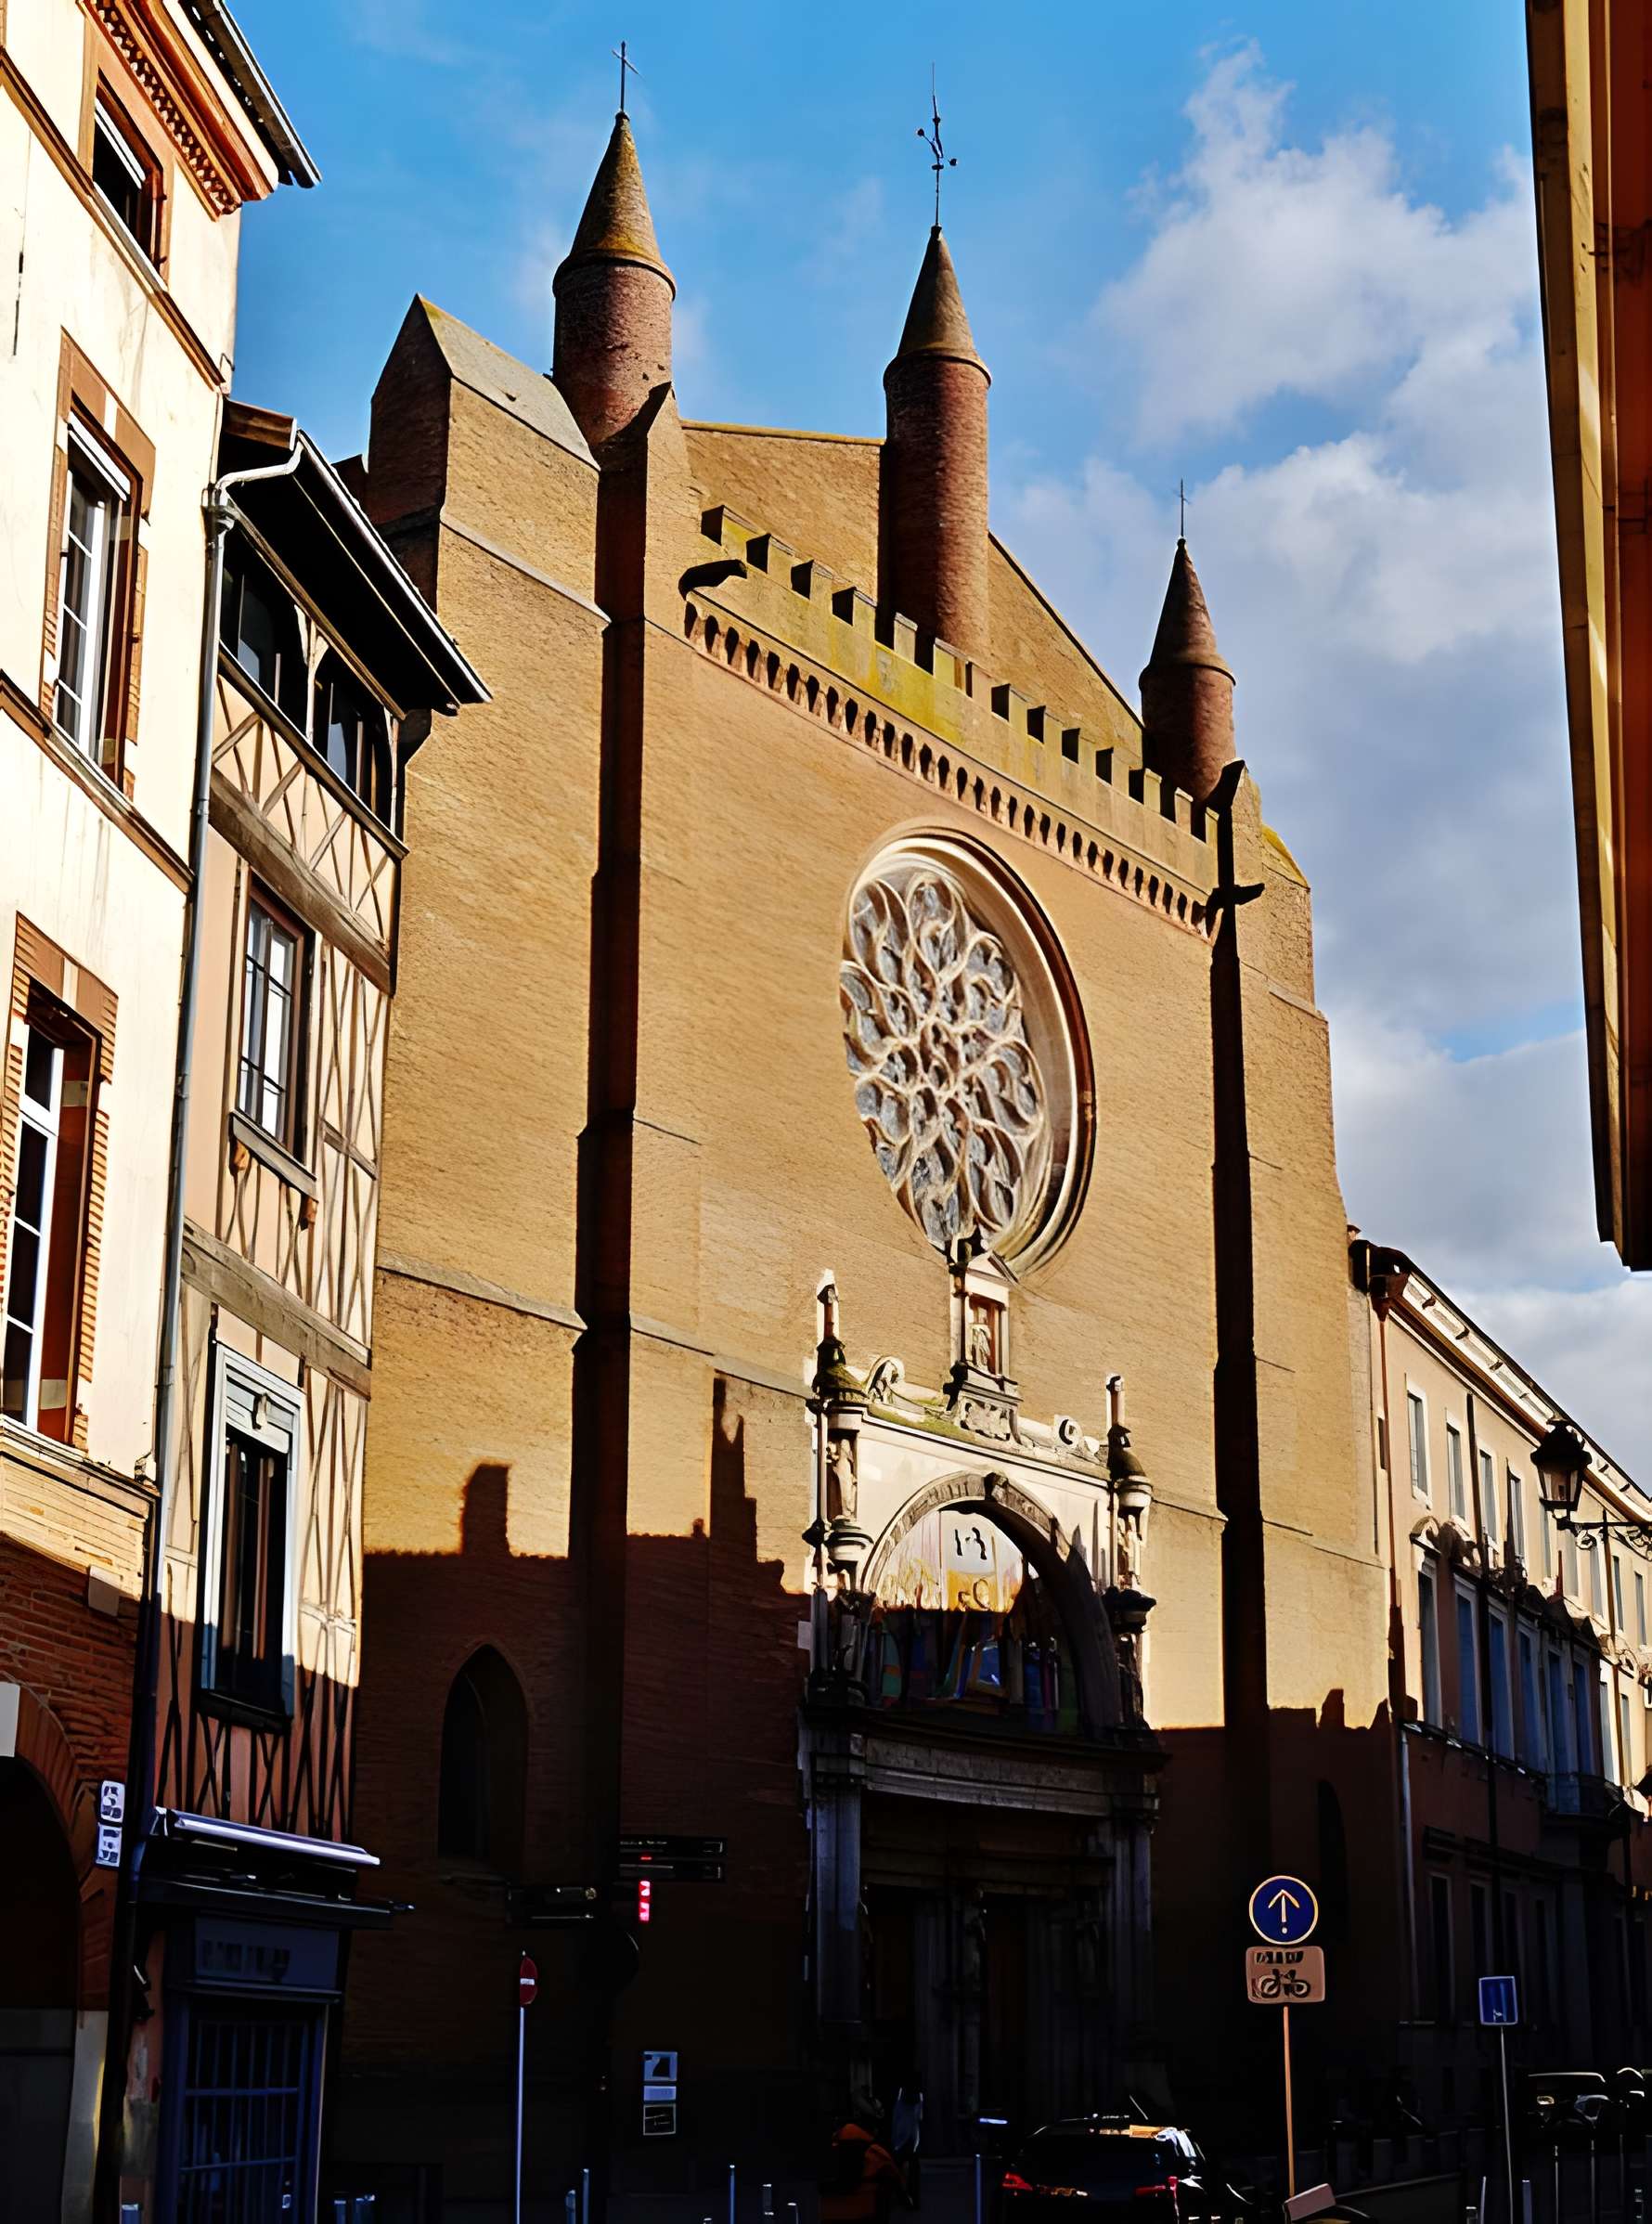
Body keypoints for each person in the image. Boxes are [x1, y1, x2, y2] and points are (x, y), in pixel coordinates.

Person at [820, 2097, 911, 2224]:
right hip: (864, 2214)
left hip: (828, 2214)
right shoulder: (876, 2154)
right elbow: (898, 2184)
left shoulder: (830, 2149)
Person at [890, 2072, 923, 2207]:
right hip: (912, 2136)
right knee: (913, 2168)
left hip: (900, 2135)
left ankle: (902, 2197)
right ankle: (912, 2199)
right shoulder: (918, 2096)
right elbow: (919, 2117)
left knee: (897, 2167)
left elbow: (896, 2116)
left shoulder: (901, 2094)